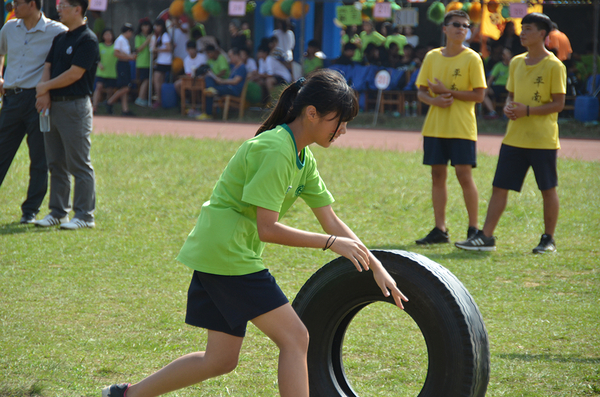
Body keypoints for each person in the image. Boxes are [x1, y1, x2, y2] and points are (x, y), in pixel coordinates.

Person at [101, 68, 408, 397]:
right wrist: (331, 244)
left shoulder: (302, 156)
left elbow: (331, 220)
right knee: (296, 338)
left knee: (219, 359)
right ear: (312, 113)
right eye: (340, 120)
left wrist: (377, 266)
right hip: (227, 253)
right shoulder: (276, 149)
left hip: (220, 251)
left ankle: (124, 395)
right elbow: (268, 228)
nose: (345, 130)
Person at [455, 13, 566, 254]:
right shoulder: (516, 62)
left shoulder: (554, 66)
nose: (522, 33)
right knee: (499, 187)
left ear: (543, 35)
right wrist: (508, 105)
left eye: (528, 29)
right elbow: (512, 95)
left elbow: (558, 104)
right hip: (514, 138)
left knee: (547, 189)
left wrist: (528, 110)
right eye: (522, 28)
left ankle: (548, 239)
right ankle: (486, 237)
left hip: (542, 140)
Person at [414, 10, 486, 245]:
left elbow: (479, 95)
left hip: (462, 127)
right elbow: (421, 91)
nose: (461, 28)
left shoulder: (473, 58)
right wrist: (434, 100)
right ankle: (440, 229)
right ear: (445, 29)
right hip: (435, 127)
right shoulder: (432, 56)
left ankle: (474, 229)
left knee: (464, 176)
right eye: (456, 24)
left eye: (466, 25)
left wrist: (447, 92)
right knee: (437, 176)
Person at [34, 0, 100, 230]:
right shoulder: (60, 38)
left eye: (64, 5)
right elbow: (48, 66)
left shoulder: (88, 39)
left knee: (79, 164)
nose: (59, 9)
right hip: (54, 105)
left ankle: (84, 216)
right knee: (56, 162)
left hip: (75, 107)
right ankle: (58, 212)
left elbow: (75, 74)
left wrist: (45, 87)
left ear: (77, 9)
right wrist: (44, 92)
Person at [0, 0, 67, 224]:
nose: (12, 6)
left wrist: (49, 89)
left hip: (37, 101)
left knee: (39, 157)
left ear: (32, 4)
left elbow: (77, 39)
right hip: (10, 99)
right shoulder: (9, 27)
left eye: (16, 3)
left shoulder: (56, 31)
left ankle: (30, 211)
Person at [197, 47, 246, 120]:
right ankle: (210, 91)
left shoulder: (242, 67)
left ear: (237, 56)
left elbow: (235, 81)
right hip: (227, 87)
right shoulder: (234, 67)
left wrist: (222, 81)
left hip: (233, 89)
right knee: (209, 80)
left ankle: (208, 113)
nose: (230, 59)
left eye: (231, 56)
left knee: (210, 90)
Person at [106, 23, 136, 116]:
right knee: (126, 88)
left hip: (126, 64)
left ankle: (125, 109)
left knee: (124, 87)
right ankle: (109, 102)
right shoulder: (120, 40)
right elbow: (116, 53)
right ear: (128, 32)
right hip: (122, 64)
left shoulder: (125, 40)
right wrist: (129, 56)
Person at [482, 47, 512, 119]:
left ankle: (507, 113)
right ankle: (492, 112)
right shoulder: (498, 66)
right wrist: (487, 87)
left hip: (509, 87)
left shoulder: (514, 65)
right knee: (483, 93)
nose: (506, 56)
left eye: (508, 54)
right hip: (497, 86)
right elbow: (491, 78)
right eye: (505, 54)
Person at [92, 28, 117, 113]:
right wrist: (99, 64)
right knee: (99, 87)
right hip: (101, 72)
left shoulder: (115, 46)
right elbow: (95, 57)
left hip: (112, 72)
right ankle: (95, 106)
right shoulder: (100, 46)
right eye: (106, 35)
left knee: (110, 90)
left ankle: (109, 106)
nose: (108, 37)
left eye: (110, 35)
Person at [151, 18, 172, 109]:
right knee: (160, 81)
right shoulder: (160, 36)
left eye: (158, 26)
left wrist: (157, 50)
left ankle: (159, 99)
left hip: (164, 62)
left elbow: (169, 48)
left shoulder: (165, 35)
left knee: (156, 79)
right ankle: (161, 99)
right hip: (161, 61)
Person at [133, 18, 152, 107]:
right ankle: (140, 98)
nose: (146, 28)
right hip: (142, 62)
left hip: (149, 62)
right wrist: (147, 41)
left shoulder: (151, 36)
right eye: (144, 26)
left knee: (147, 80)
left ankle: (143, 97)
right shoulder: (139, 37)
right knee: (145, 80)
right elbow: (138, 49)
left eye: (147, 26)